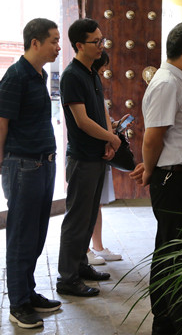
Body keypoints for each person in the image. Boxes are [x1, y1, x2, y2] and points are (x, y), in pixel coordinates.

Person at [130, 22, 182, 334]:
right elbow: (153, 137)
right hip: (177, 182)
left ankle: (174, 320)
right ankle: (171, 322)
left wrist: (154, 164)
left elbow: (169, 136)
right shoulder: (166, 83)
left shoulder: (177, 81)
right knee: (176, 253)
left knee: (179, 251)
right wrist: (151, 169)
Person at [0, 18, 62, 329]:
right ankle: (18, 304)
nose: (58, 46)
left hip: (43, 164)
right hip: (22, 165)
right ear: (35, 42)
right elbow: (1, 123)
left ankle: (28, 292)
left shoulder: (40, 75)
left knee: (36, 235)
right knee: (21, 237)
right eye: (54, 40)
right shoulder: (15, 76)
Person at [57, 18, 121, 298]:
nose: (101, 45)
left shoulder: (92, 72)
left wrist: (109, 138)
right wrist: (111, 138)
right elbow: (82, 121)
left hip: (97, 155)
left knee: (89, 215)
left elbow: (102, 110)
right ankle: (67, 278)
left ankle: (81, 267)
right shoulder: (71, 76)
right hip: (82, 158)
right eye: (96, 42)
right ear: (79, 45)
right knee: (77, 219)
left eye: (102, 40)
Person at [86, 51, 123, 265]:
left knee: (96, 203)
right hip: (87, 154)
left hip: (101, 151)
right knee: (86, 205)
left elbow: (103, 118)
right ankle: (84, 250)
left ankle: (97, 247)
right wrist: (111, 138)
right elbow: (84, 121)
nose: (104, 72)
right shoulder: (80, 81)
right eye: (102, 68)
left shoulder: (96, 84)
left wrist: (114, 129)